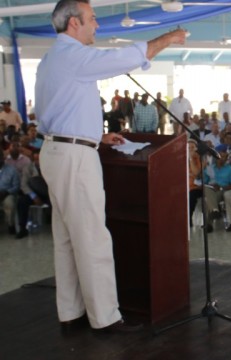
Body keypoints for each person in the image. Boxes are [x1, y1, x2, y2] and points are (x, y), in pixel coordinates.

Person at [34, 0, 187, 332]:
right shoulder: (73, 56)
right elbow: (120, 59)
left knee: (67, 238)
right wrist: (166, 39)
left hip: (58, 150)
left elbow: (61, 110)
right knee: (92, 237)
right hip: (73, 158)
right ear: (74, 23)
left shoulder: (51, 59)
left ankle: (72, 312)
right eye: (92, 19)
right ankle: (105, 319)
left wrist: (97, 137)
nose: (97, 25)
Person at [203, 145, 231, 224]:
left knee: (207, 199)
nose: (221, 159)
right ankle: (215, 210)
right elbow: (204, 181)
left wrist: (221, 187)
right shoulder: (210, 168)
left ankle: (208, 224)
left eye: (224, 157)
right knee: (207, 189)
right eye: (220, 156)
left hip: (222, 191)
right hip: (210, 190)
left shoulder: (230, 169)